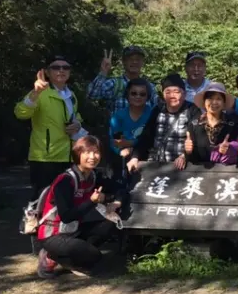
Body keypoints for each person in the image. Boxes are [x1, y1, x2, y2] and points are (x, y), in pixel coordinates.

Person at [36, 136, 122, 278]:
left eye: (96, 152)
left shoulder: (93, 176)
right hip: (53, 233)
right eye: (87, 152)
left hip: (74, 229)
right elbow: (67, 216)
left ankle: (71, 257)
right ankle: (52, 255)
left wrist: (116, 202)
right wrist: (92, 201)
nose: (92, 157)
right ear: (77, 154)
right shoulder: (65, 180)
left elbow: (119, 188)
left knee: (113, 223)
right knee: (95, 257)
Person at [15, 55, 89, 198]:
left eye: (65, 67)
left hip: (68, 156)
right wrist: (35, 93)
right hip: (45, 158)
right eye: (56, 67)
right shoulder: (40, 93)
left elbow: (75, 116)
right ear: (47, 72)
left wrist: (77, 124)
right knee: (42, 200)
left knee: (65, 200)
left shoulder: (71, 95)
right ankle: (32, 221)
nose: (61, 70)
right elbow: (20, 113)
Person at [127, 74, 199, 171]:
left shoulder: (192, 110)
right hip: (156, 164)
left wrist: (185, 155)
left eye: (176, 92)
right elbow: (145, 136)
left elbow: (197, 137)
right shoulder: (158, 110)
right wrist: (135, 157)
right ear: (163, 95)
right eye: (168, 92)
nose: (172, 96)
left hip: (181, 166)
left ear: (184, 94)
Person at [87, 46, 157, 114]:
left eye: (138, 59)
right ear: (124, 62)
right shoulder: (114, 84)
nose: (134, 62)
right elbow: (92, 95)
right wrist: (103, 72)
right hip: (119, 125)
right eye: (130, 59)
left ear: (142, 63)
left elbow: (158, 107)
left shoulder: (149, 87)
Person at [108, 78, 154, 177]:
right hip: (123, 158)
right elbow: (115, 141)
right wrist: (120, 150)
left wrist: (131, 144)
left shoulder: (153, 114)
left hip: (148, 157)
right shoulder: (118, 116)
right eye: (134, 93)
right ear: (127, 95)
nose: (138, 96)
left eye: (142, 94)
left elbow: (153, 139)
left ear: (148, 96)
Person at [186, 83, 238, 165]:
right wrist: (188, 152)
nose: (214, 102)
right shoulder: (194, 124)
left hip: (224, 173)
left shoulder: (232, 124)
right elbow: (192, 156)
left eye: (218, 99)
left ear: (224, 103)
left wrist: (229, 149)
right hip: (198, 173)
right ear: (204, 102)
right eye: (210, 98)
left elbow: (237, 150)